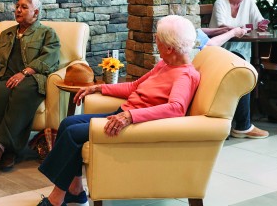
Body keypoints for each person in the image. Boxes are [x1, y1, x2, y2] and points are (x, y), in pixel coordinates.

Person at [36, 15, 201, 206]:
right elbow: (135, 86)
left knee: (73, 134)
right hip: (120, 113)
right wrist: (99, 88)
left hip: (134, 126)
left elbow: (176, 108)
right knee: (67, 123)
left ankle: (56, 199)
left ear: (170, 48)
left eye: (158, 40)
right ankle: (75, 190)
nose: (155, 43)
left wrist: (131, 116)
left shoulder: (185, 75)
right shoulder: (165, 64)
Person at [0, 0, 60, 171]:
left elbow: (50, 58)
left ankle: (2, 147)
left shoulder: (47, 33)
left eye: (24, 7)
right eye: (17, 6)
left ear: (36, 12)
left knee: (21, 93)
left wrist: (24, 73)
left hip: (33, 79)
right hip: (6, 78)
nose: (18, 10)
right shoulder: (7, 33)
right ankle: (4, 150)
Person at [209, 0, 270, 139]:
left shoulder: (249, 2)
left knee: (245, 71)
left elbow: (259, 21)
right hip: (221, 49)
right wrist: (240, 28)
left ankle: (242, 124)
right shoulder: (220, 3)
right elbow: (222, 26)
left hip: (242, 50)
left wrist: (262, 25)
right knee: (243, 72)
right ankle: (243, 125)